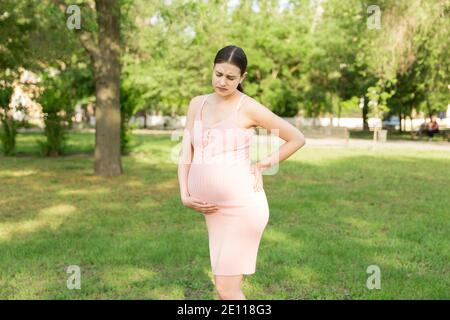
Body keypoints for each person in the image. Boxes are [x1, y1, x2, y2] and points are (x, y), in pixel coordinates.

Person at [177, 45, 306, 300]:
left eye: (231, 77)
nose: (222, 82)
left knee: (227, 289)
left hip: (241, 208)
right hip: (211, 209)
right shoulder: (197, 104)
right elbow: (186, 151)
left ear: (242, 78)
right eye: (218, 74)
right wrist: (184, 193)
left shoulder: (248, 108)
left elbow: (296, 138)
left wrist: (262, 164)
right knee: (222, 286)